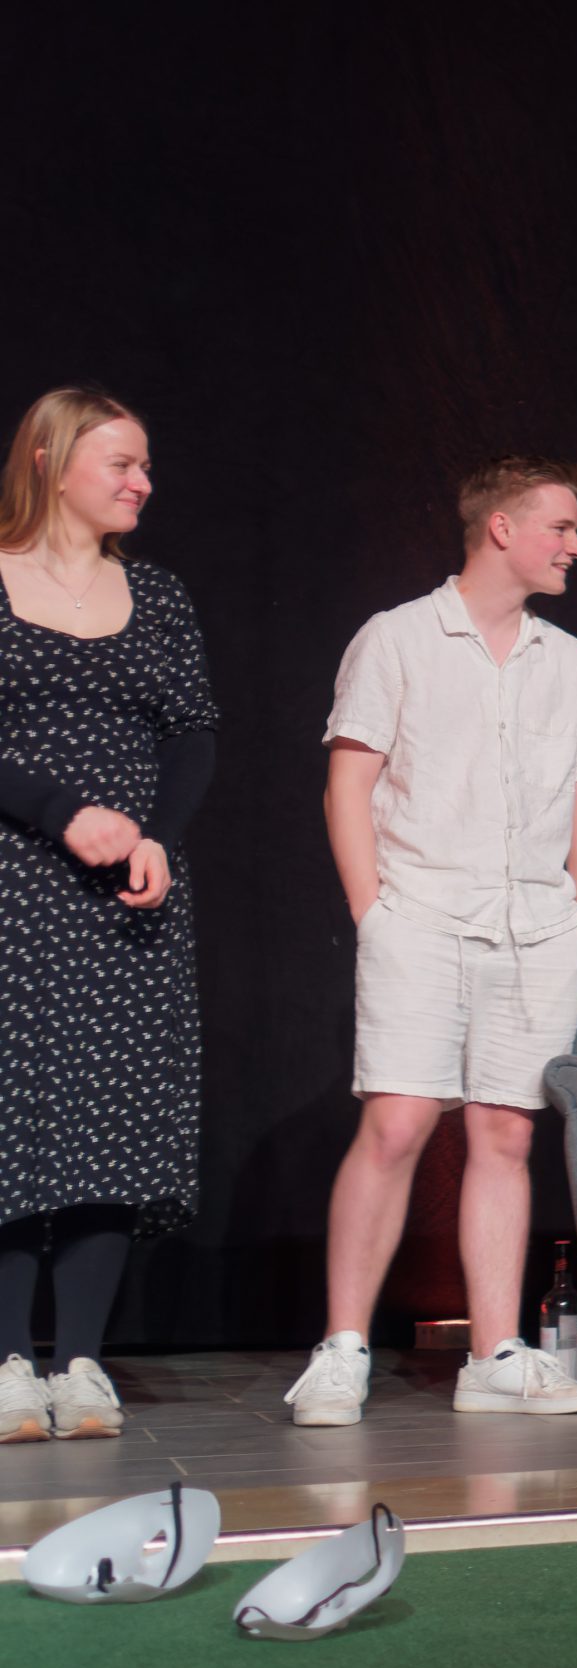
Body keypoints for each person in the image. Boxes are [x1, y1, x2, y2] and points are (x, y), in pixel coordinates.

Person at [286, 456, 577, 1425]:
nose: (576, 546)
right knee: (397, 1123)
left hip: (538, 930)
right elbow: (349, 783)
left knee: (505, 1134)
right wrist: (373, 911)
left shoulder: (569, 660)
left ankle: (493, 1352)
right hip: (422, 915)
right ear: (502, 528)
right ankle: (342, 1347)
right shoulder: (397, 638)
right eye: (560, 526)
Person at [0, 389, 218, 1443]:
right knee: (16, 1115)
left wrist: (158, 836)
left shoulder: (158, 596)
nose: (142, 482)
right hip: (15, 883)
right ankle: (7, 1360)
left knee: (111, 1118)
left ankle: (80, 1358)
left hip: (129, 894)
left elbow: (194, 733)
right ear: (50, 459)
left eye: (145, 465)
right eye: (121, 463)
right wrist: (59, 812)